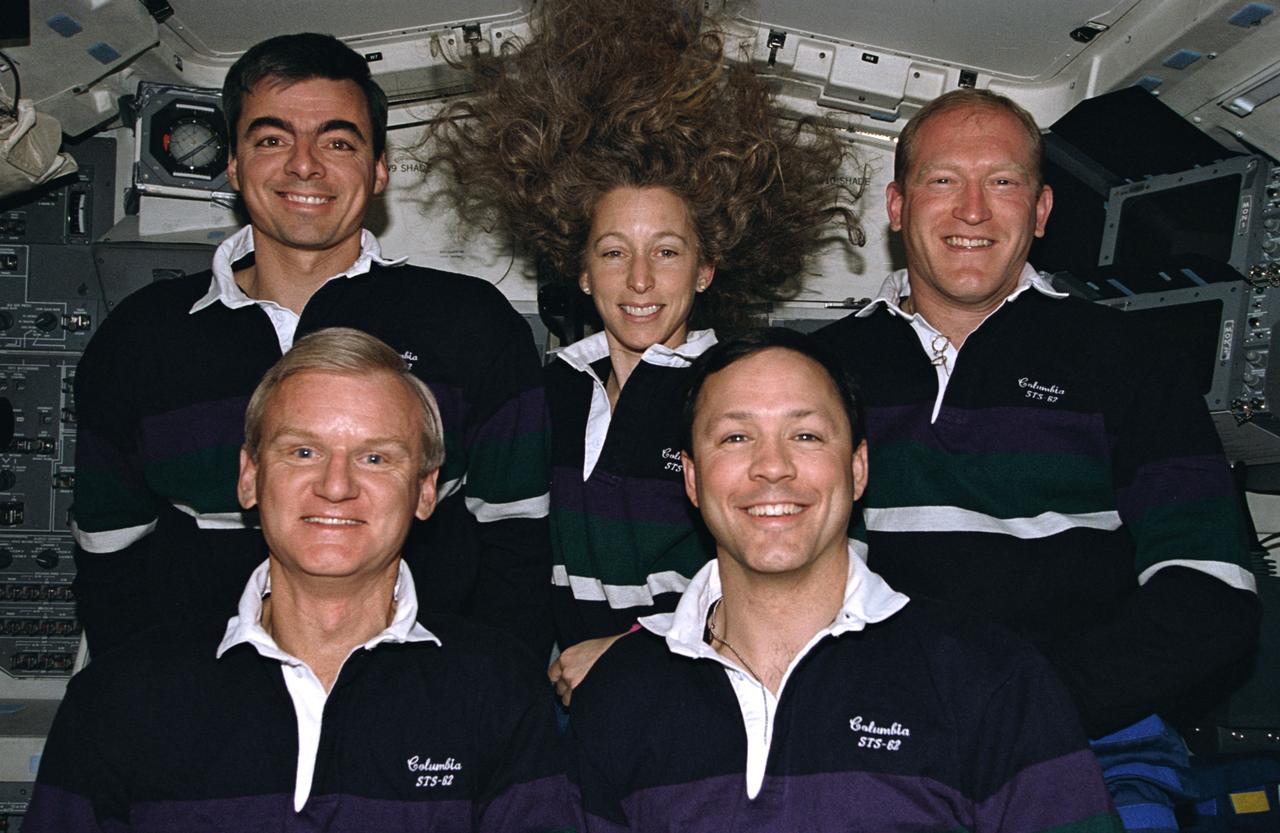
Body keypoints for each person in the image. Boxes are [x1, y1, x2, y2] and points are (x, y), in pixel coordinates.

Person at [812, 88, 1260, 829]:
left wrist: (1027, 699)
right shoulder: (820, 372)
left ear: (1043, 211)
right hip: (879, 744)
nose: (974, 210)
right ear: (897, 205)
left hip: (1092, 744)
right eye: (944, 179)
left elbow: (1209, 591)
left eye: (1004, 181)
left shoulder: (1128, 360)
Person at [423, 0, 859, 704]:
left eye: (667, 252)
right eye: (614, 253)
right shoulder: (546, 392)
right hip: (566, 696)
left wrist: (637, 649)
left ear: (706, 268)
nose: (640, 282)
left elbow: (797, 569)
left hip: (708, 690)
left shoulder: (743, 391)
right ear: (583, 272)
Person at [70, 32, 552, 659]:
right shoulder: (141, 339)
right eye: (272, 140)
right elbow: (111, 558)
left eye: (338, 141)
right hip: (201, 708)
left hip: (418, 708)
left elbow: (517, 547)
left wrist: (477, 706)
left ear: (378, 169)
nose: (305, 164)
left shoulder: (471, 325)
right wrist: (158, 710)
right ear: (235, 166)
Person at [569, 328, 1123, 832]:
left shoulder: (988, 679)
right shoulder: (621, 692)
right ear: (691, 478)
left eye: (806, 436)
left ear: (858, 468)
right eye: (736, 438)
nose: (772, 467)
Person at [25, 328, 573, 833]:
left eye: (376, 457)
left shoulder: (500, 691)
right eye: (303, 452)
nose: (336, 486)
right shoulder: (120, 695)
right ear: (249, 477)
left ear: (426, 491)